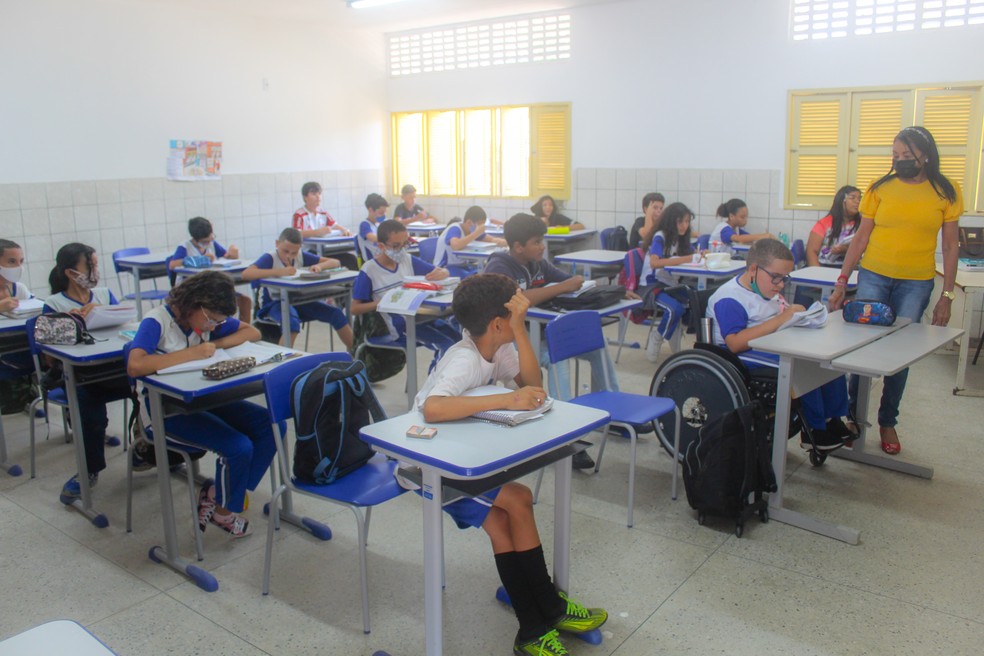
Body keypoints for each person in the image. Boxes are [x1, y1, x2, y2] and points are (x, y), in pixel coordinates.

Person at [414, 273, 608, 656]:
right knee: (517, 499)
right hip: (430, 467)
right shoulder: (465, 359)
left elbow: (534, 386)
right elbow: (434, 408)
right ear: (497, 323)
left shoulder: (497, 349)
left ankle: (538, 619)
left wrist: (520, 332)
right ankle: (541, 617)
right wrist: (503, 401)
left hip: (464, 457)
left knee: (506, 520)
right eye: (515, 312)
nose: (522, 312)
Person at [828, 126, 963, 456]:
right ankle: (853, 419)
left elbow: (949, 245)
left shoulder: (946, 191)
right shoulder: (879, 188)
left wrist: (947, 296)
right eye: (896, 156)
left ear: (925, 155)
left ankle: (887, 421)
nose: (900, 161)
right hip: (874, 276)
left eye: (907, 156)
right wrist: (842, 282)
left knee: (899, 356)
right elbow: (860, 238)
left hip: (916, 283)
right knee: (862, 349)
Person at [127, 271, 275, 537]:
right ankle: (224, 508)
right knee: (239, 447)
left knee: (270, 426)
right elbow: (136, 365)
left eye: (217, 323)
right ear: (194, 303)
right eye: (211, 321)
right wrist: (191, 353)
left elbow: (251, 332)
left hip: (203, 399)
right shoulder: (157, 321)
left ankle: (221, 494)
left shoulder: (208, 322)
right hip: (164, 411)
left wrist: (214, 343)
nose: (212, 327)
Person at [483, 213, 631, 470]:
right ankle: (567, 436)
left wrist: (611, 292)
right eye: (536, 242)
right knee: (557, 357)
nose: (542, 246)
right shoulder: (500, 266)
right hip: (510, 342)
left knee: (596, 345)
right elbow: (520, 298)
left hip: (538, 333)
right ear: (518, 246)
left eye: (542, 240)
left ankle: (614, 412)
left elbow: (568, 281)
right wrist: (561, 287)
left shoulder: (537, 263)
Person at [707, 239, 854, 451]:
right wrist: (784, 317)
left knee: (825, 359)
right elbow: (736, 343)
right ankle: (815, 428)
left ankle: (832, 419)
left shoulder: (766, 289)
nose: (781, 285)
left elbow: (779, 316)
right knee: (802, 364)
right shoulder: (730, 298)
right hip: (740, 356)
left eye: (785, 278)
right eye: (776, 277)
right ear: (753, 269)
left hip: (770, 344)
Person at [44, 243, 131, 502]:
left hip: (116, 367)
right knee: (89, 411)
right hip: (81, 375)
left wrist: (102, 312)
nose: (95, 271)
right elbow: (48, 358)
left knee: (150, 391)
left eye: (95, 265)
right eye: (90, 266)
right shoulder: (54, 303)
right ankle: (89, 470)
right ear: (72, 273)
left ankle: (151, 451)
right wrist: (67, 324)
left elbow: (126, 329)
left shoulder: (104, 294)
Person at [350, 219, 460, 362]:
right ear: (381, 246)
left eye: (405, 244)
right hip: (401, 327)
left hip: (421, 317)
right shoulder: (370, 270)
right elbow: (354, 308)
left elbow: (439, 271)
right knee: (445, 345)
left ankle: (456, 381)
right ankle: (437, 384)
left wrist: (443, 272)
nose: (402, 250)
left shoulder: (407, 260)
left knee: (459, 340)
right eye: (396, 246)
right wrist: (383, 302)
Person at [242, 228, 354, 349]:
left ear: (299, 248)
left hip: (299, 302)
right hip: (274, 304)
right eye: (285, 251)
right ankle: (284, 362)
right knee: (291, 323)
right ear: (277, 244)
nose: (289, 255)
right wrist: (279, 272)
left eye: (294, 252)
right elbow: (246, 274)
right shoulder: (270, 258)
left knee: (336, 314)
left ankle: (356, 355)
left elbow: (335, 262)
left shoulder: (300, 256)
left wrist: (319, 266)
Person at [637, 202, 701, 362]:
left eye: (687, 222)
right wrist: (687, 258)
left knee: (695, 301)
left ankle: (675, 333)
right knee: (675, 309)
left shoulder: (681, 239)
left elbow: (692, 255)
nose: (684, 226)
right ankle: (657, 336)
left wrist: (701, 254)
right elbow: (655, 263)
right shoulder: (660, 237)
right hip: (652, 286)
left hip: (670, 285)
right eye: (680, 222)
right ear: (671, 221)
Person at [169, 216, 250, 320]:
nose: (207, 243)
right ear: (195, 238)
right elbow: (173, 264)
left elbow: (226, 255)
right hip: (193, 289)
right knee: (219, 305)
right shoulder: (185, 246)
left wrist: (233, 253)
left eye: (210, 239)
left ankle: (244, 334)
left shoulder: (212, 244)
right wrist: (200, 260)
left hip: (212, 287)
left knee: (245, 301)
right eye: (204, 241)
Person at [432, 205, 507, 278]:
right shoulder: (455, 228)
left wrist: (509, 242)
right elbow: (455, 245)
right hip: (445, 268)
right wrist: (476, 233)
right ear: (469, 222)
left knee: (486, 274)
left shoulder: (473, 232)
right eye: (480, 225)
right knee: (475, 279)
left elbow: (493, 240)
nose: (481, 228)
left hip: (463, 266)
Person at [806, 186, 861, 267]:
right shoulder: (824, 223)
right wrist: (816, 273)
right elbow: (811, 252)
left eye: (859, 198)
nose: (857, 201)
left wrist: (846, 250)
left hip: (850, 269)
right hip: (824, 266)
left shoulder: (862, 224)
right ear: (842, 200)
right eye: (852, 198)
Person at [708, 199, 773, 255]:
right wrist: (765, 235)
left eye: (746, 217)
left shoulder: (736, 229)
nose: (745, 220)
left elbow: (749, 238)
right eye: (742, 217)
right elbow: (739, 238)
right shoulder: (724, 229)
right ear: (731, 216)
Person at [357, 193, 389, 262]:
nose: (384, 216)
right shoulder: (364, 225)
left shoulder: (380, 224)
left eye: (385, 213)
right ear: (370, 210)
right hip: (373, 263)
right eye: (381, 213)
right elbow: (374, 238)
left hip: (385, 258)